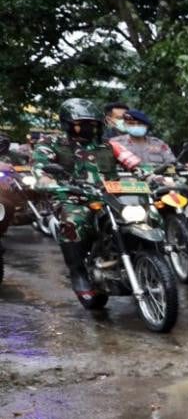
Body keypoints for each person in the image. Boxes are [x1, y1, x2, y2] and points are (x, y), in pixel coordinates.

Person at [32, 98, 128, 302]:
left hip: (110, 198)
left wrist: (154, 175)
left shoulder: (109, 146)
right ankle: (78, 273)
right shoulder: (52, 143)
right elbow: (40, 166)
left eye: (93, 124)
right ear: (67, 123)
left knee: (143, 215)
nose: (88, 128)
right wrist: (46, 180)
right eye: (81, 123)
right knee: (75, 221)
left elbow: (134, 163)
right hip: (72, 198)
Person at [110, 109, 178, 167]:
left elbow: (172, 165)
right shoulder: (115, 143)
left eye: (139, 124)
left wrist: (186, 167)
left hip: (157, 181)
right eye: (131, 123)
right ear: (125, 125)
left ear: (146, 126)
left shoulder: (159, 144)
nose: (136, 126)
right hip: (127, 181)